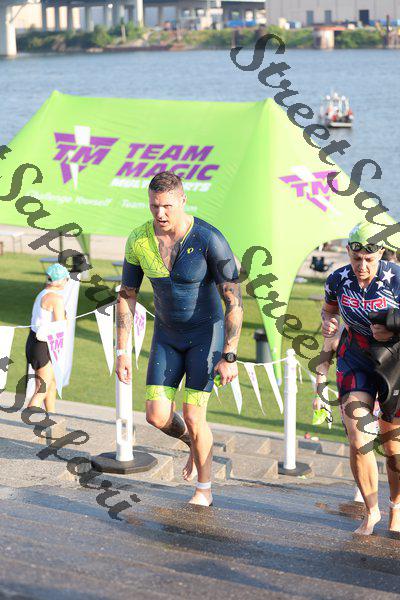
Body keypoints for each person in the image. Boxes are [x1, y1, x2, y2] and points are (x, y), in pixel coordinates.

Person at [116, 171, 243, 507]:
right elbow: (127, 295)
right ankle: (192, 442)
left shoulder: (209, 238)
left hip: (206, 336)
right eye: (154, 206)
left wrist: (229, 354)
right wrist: (122, 350)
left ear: (183, 200)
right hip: (167, 337)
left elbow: (234, 301)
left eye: (167, 206)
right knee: (156, 416)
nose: (160, 213)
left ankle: (204, 489)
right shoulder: (139, 240)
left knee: (194, 414)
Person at [322, 221, 400, 535]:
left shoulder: (396, 279)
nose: (362, 266)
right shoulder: (338, 279)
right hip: (355, 357)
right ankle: (371, 511)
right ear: (348, 252)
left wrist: (392, 324)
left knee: (393, 448)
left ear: (381, 253)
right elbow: (329, 310)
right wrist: (328, 323)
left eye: (369, 259)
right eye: (356, 258)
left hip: (394, 361)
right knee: (358, 438)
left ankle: (396, 507)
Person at [25, 263, 68, 412]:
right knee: (42, 388)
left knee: (51, 383)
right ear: (59, 281)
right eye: (66, 279)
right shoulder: (56, 298)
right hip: (42, 345)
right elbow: (60, 326)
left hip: (35, 342)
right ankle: (29, 418)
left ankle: (52, 415)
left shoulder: (42, 293)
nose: (67, 282)